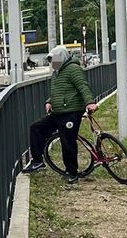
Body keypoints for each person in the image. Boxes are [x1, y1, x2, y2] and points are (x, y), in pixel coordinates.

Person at [22, 45, 98, 183]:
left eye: (55, 60)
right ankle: (38, 160)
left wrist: (89, 102)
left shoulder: (73, 69)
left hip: (71, 112)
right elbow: (58, 92)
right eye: (51, 60)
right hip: (57, 112)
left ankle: (72, 172)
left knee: (67, 141)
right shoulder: (56, 73)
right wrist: (49, 101)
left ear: (62, 57)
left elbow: (83, 86)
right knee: (36, 128)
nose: (53, 63)